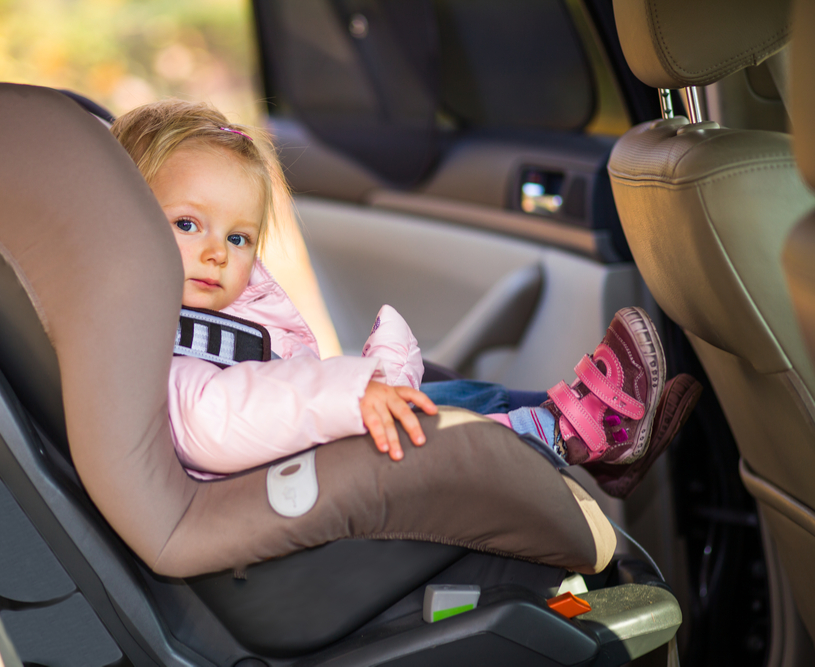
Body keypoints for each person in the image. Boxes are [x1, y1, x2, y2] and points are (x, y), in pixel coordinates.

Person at [110, 99, 701, 499]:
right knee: (439, 424)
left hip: (303, 447)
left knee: (446, 393)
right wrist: (349, 392)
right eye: (187, 225)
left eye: (238, 237)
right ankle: (574, 431)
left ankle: (587, 429)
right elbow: (218, 417)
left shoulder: (192, 320)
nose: (218, 253)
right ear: (121, 222)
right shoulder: (156, 347)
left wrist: (353, 387)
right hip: (295, 486)